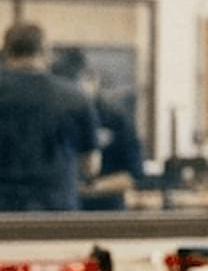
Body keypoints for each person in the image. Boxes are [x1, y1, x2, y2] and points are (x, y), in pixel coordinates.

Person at [0, 23, 97, 212]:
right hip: (56, 209)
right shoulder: (74, 96)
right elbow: (90, 164)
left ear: (6, 51)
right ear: (45, 51)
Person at [49, 47, 141, 211]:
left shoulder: (115, 118)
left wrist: (87, 189)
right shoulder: (52, 117)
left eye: (77, 86)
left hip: (106, 211)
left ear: (94, 80)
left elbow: (132, 175)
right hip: (59, 209)